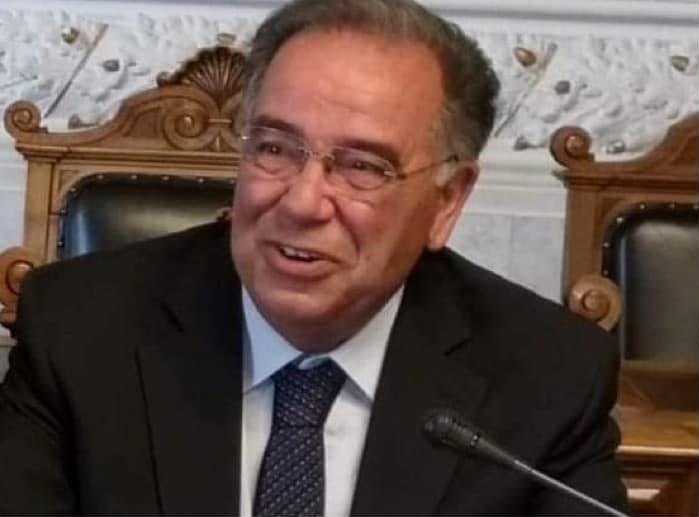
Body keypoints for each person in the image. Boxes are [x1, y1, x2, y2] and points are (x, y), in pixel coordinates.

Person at [0, 0, 628, 514]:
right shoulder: (82, 330)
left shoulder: (547, 378)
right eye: (275, 148)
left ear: (446, 201)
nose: (302, 202)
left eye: (362, 166)